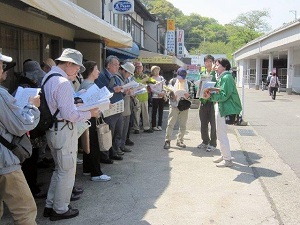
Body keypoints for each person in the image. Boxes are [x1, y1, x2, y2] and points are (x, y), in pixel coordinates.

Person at [42, 48, 100, 221]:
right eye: (76, 67)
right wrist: (91, 114)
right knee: (66, 171)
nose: (77, 71)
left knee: (60, 169)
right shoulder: (63, 82)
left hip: (54, 129)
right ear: (68, 63)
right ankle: (59, 209)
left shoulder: (49, 77)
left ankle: (50, 205)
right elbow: (70, 115)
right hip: (63, 129)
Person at [0, 53, 40, 225]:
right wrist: (32, 106)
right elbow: (21, 124)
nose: (5, 70)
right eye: (2, 66)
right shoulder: (1, 95)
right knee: (25, 211)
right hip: (4, 164)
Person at [203, 58, 242, 167]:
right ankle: (224, 155)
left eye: (217, 65)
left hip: (223, 108)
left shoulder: (226, 77)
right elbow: (222, 92)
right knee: (220, 133)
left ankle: (227, 159)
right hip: (220, 107)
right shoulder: (223, 77)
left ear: (224, 66)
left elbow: (224, 95)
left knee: (221, 133)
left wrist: (211, 95)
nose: (215, 67)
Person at [79, 60, 111, 182]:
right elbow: (93, 104)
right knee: (93, 145)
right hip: (91, 117)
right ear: (91, 71)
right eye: (96, 69)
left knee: (88, 143)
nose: (98, 72)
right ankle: (96, 173)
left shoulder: (86, 83)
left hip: (87, 118)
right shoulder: (90, 85)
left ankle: (87, 169)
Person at [94, 55, 124, 163]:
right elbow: (100, 91)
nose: (118, 67)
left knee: (117, 132)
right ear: (108, 65)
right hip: (109, 109)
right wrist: (113, 90)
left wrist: (124, 90)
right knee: (108, 133)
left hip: (118, 108)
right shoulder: (102, 76)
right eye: (115, 64)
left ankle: (114, 152)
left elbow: (118, 89)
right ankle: (105, 155)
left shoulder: (115, 76)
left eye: (118, 64)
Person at [164, 68, 190, 149]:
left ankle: (180, 140)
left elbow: (192, 95)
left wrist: (188, 96)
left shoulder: (188, 83)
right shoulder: (173, 81)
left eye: (183, 77)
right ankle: (167, 141)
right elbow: (167, 91)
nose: (182, 78)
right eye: (180, 76)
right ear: (177, 75)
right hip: (174, 104)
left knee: (183, 124)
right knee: (170, 123)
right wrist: (172, 95)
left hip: (184, 105)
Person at [196, 55, 217, 152]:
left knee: (213, 124)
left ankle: (213, 143)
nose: (208, 63)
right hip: (203, 101)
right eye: (206, 61)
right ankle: (205, 141)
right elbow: (198, 86)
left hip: (212, 102)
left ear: (213, 63)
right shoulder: (201, 74)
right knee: (203, 123)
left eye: (210, 61)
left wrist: (213, 71)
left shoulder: (216, 74)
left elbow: (215, 85)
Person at [116, 61, 135, 153]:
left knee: (125, 129)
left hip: (127, 106)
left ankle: (122, 145)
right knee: (119, 130)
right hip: (120, 107)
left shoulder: (127, 79)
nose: (129, 75)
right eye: (129, 73)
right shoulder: (117, 78)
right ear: (123, 70)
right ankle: (117, 147)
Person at [132, 61, 153, 134]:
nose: (138, 69)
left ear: (142, 68)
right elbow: (135, 84)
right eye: (137, 67)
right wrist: (142, 80)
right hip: (136, 97)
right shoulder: (133, 77)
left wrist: (149, 79)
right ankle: (136, 128)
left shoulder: (145, 76)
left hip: (144, 97)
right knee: (136, 114)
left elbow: (153, 81)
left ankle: (146, 127)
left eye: (140, 67)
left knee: (145, 113)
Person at [149, 65, 166, 131]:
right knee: (154, 111)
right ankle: (153, 125)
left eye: (158, 70)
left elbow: (164, 86)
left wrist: (163, 92)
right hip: (155, 97)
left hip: (161, 96)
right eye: (155, 70)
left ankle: (159, 125)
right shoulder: (151, 79)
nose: (157, 72)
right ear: (152, 71)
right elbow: (152, 88)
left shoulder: (161, 78)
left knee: (161, 111)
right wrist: (159, 93)